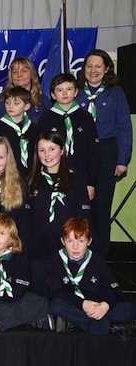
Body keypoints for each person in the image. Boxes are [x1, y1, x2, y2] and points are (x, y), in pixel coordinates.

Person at [76, 49, 133, 258]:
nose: (93, 71)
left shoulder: (115, 92)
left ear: (107, 68)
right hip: (82, 152)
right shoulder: (76, 91)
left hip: (106, 151)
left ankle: (99, 257)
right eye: (89, 66)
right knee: (81, 205)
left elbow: (124, 127)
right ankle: (79, 253)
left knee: (101, 205)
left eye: (98, 66)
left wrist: (122, 159)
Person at [27, 131, 91, 298]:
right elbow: (25, 219)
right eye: (42, 150)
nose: (47, 155)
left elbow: (84, 219)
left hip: (65, 251)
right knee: (38, 298)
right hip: (37, 252)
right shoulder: (31, 180)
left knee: (63, 297)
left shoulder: (75, 180)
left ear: (62, 150)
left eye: (52, 149)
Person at [49, 217, 136, 335]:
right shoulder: (56, 260)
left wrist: (105, 305)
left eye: (81, 241)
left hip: (97, 305)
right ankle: (105, 326)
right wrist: (82, 304)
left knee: (129, 308)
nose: (75, 247)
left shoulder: (97, 261)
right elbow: (56, 291)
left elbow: (114, 291)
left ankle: (77, 323)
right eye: (70, 241)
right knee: (56, 306)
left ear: (89, 241)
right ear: (63, 241)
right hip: (75, 304)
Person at [37, 73, 100, 200]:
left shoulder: (86, 117)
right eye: (60, 90)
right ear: (53, 95)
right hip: (53, 176)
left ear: (76, 92)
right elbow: (39, 151)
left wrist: (91, 182)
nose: (64, 93)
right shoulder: (46, 118)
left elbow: (93, 152)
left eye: (69, 89)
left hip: (81, 176)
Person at [0, 87, 40, 179]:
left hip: (30, 178)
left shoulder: (34, 129)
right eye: (7, 103)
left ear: (26, 106)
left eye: (16, 103)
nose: (11, 106)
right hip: (5, 178)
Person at [0, 57, 51, 123]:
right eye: (15, 72)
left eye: (24, 71)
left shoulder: (43, 101)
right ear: (11, 76)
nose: (19, 75)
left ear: (32, 74)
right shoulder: (0, 100)